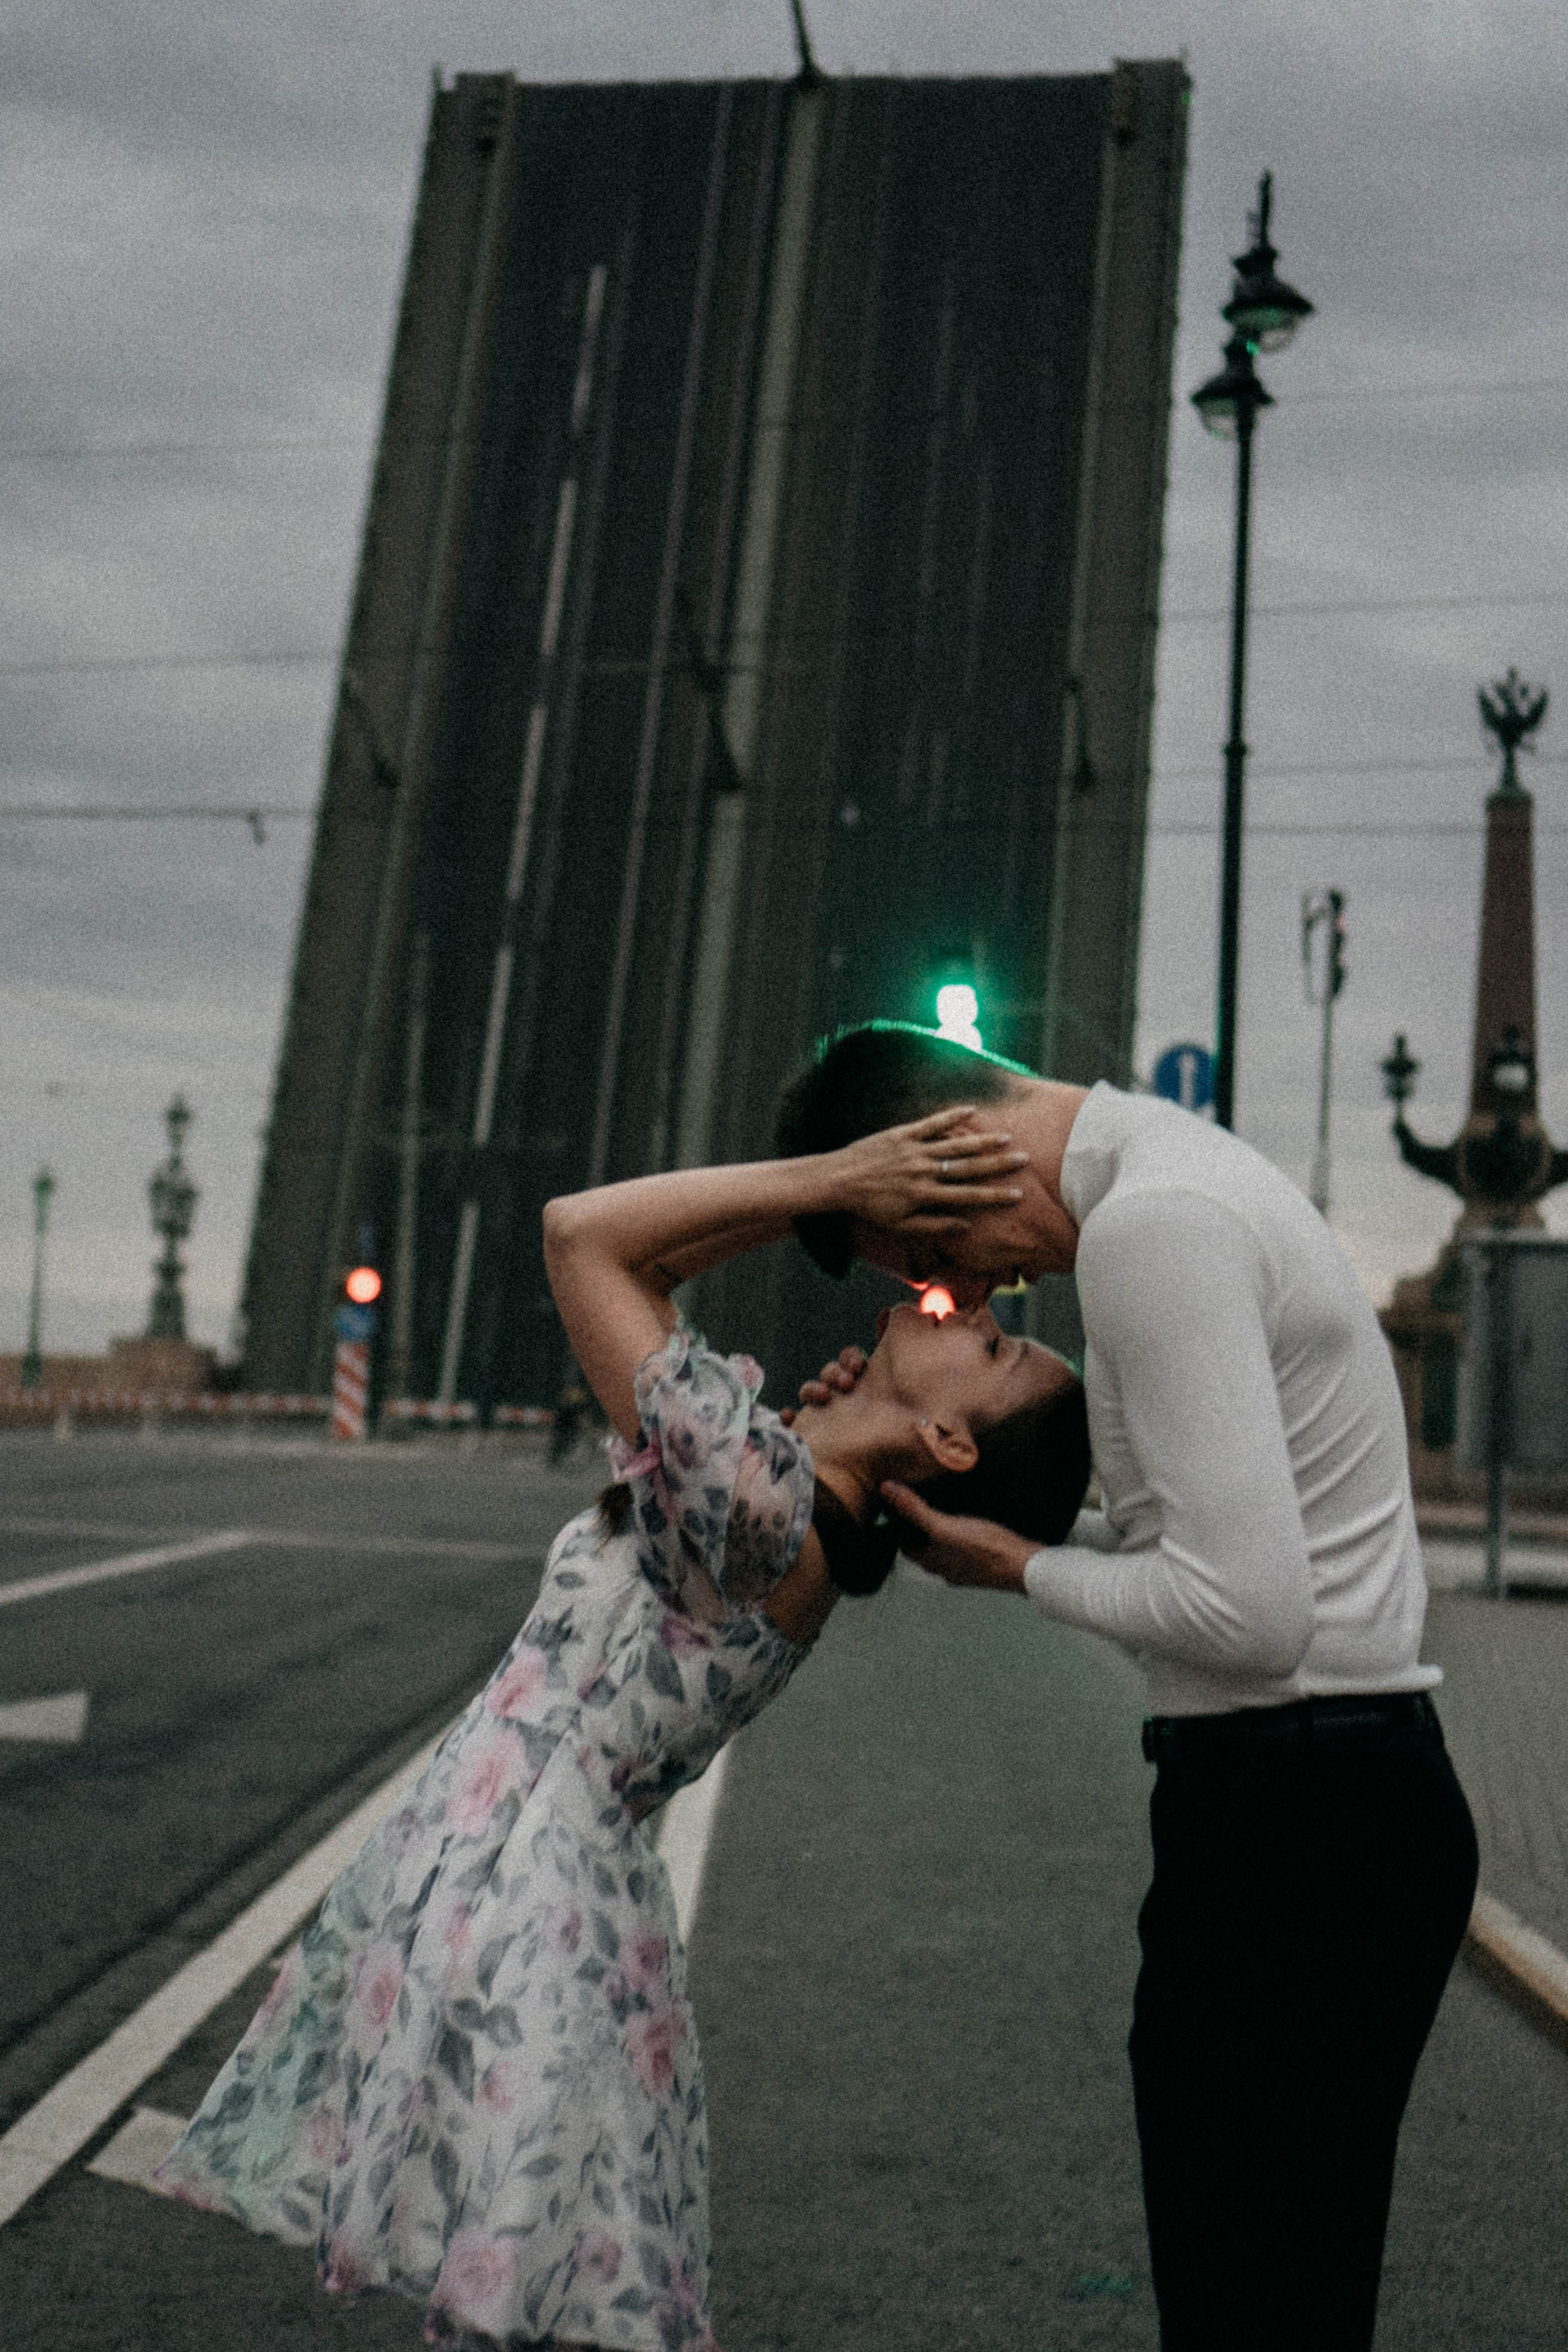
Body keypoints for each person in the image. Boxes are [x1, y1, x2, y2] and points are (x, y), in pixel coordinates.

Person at [155, 1123, 1090, 2352]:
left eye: (997, 1345)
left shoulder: (762, 1515)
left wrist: (833, 1188)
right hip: (535, 1900)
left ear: (951, 1442)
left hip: (529, 1916)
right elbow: (639, 1277)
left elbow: (581, 1235)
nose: (974, 1314)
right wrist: (835, 1213)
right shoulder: (776, 1495)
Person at [776, 1020, 1479, 2352]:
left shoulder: (1151, 1232)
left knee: (1243, 2304)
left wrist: (1018, 1574)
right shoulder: (1178, 1182)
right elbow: (1224, 1567)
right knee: (1283, 2298)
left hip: (1296, 1819)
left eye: (928, 1257)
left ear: (964, 1151)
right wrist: (1014, 1545)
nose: (955, 1293)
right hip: (1332, 1802)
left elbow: (1251, 1616)